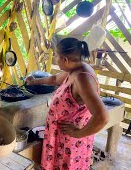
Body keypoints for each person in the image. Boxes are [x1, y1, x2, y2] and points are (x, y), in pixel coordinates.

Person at [25, 37, 108, 170]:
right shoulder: (76, 69)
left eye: (56, 56)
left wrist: (77, 133)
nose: (55, 59)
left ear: (65, 59)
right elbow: (55, 79)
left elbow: (102, 117)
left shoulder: (82, 78)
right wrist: (34, 81)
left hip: (70, 143)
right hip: (60, 139)